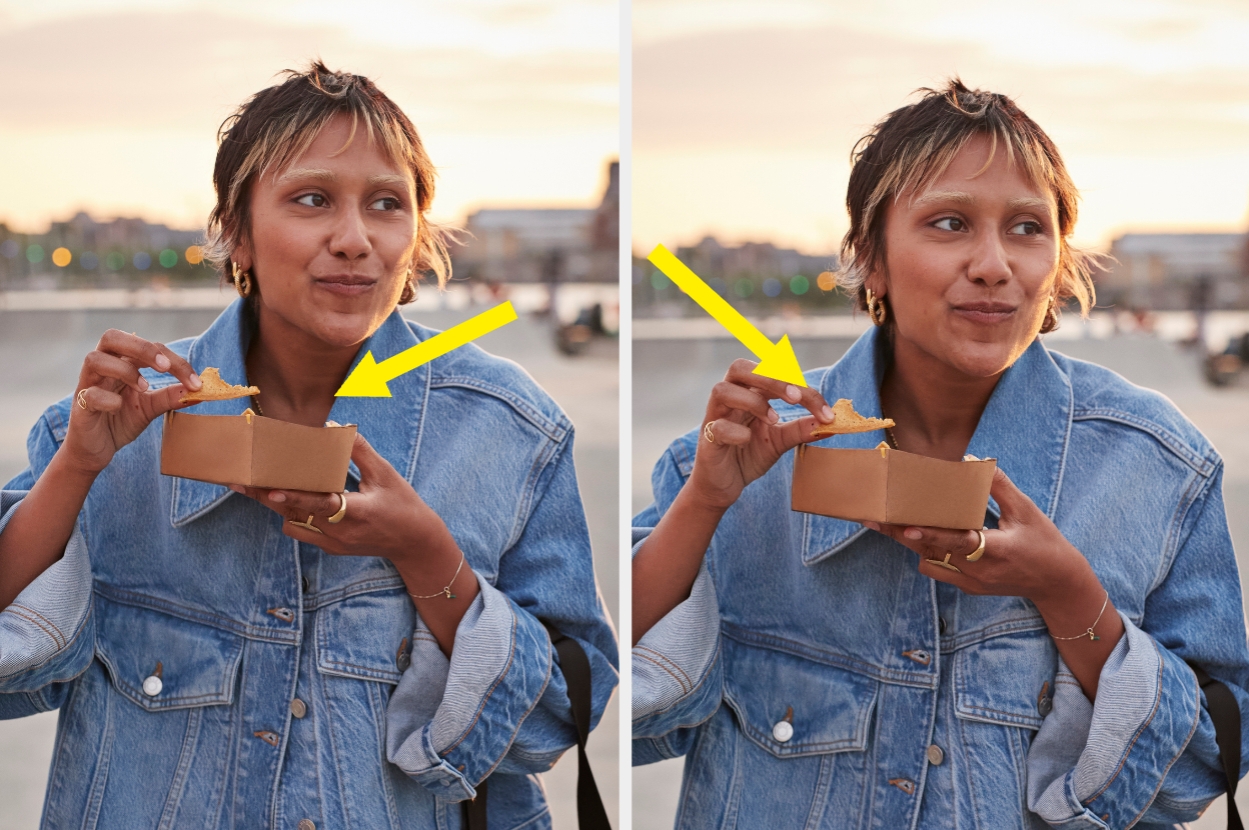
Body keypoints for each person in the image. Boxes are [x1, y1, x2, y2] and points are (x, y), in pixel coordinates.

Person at [0, 62, 616, 829]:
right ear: (236, 232)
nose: (354, 239)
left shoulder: (510, 432)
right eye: (312, 199)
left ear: (416, 238)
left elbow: (560, 718)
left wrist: (426, 554)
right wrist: (80, 466)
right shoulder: (114, 427)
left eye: (387, 205)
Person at [632, 79, 1249, 829]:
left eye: (1027, 228)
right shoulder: (742, 458)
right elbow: (618, 716)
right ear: (871, 257)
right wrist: (703, 503)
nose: (994, 264)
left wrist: (1068, 597)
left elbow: (1205, 768)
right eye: (949, 222)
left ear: (1056, 262)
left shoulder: (1155, 467)